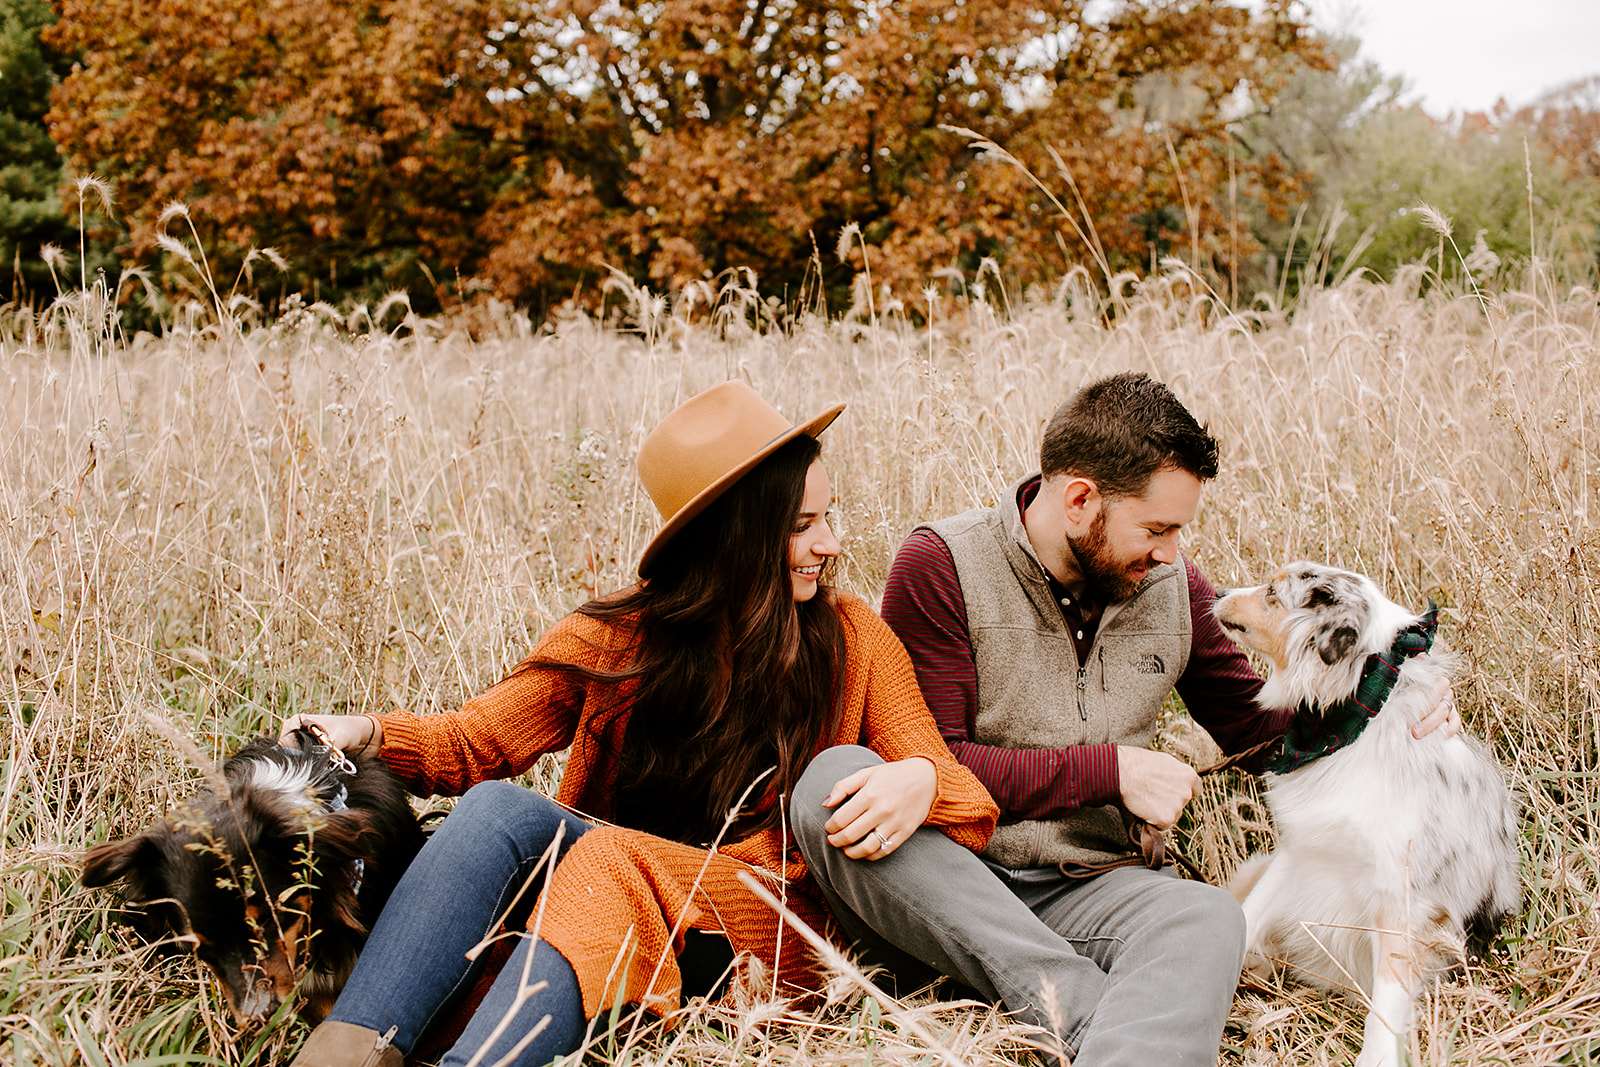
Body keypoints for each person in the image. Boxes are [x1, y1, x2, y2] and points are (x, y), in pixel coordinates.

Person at [279, 380, 1000, 1067]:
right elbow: (477, 740)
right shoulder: (623, 635)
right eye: (803, 526)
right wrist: (366, 732)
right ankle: (351, 1048)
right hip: (622, 882)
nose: (831, 544)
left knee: (607, 862)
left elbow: (965, 802)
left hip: (767, 922)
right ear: (733, 538)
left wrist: (918, 778)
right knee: (497, 808)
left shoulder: (853, 639)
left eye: (828, 517)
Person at [792, 371, 1458, 1066]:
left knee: (1209, 915)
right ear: (1080, 499)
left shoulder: (1174, 588)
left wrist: (1391, 694)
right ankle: (1087, 1002)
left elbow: (1266, 738)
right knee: (834, 782)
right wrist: (1111, 771)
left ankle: (1091, 1025)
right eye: (1158, 528)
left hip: (1095, 891)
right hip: (953, 882)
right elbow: (936, 763)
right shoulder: (943, 564)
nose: (1172, 553)